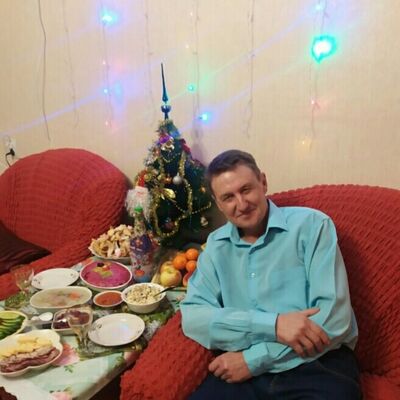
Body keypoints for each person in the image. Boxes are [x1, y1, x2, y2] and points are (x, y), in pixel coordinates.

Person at [180, 150, 361, 400]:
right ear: (218, 204)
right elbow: (194, 317)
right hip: (242, 371)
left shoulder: (312, 226)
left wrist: (253, 359)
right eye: (228, 197)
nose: (241, 204)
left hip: (317, 362)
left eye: (246, 189)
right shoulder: (215, 246)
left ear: (263, 182)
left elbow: (334, 319)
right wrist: (274, 325)